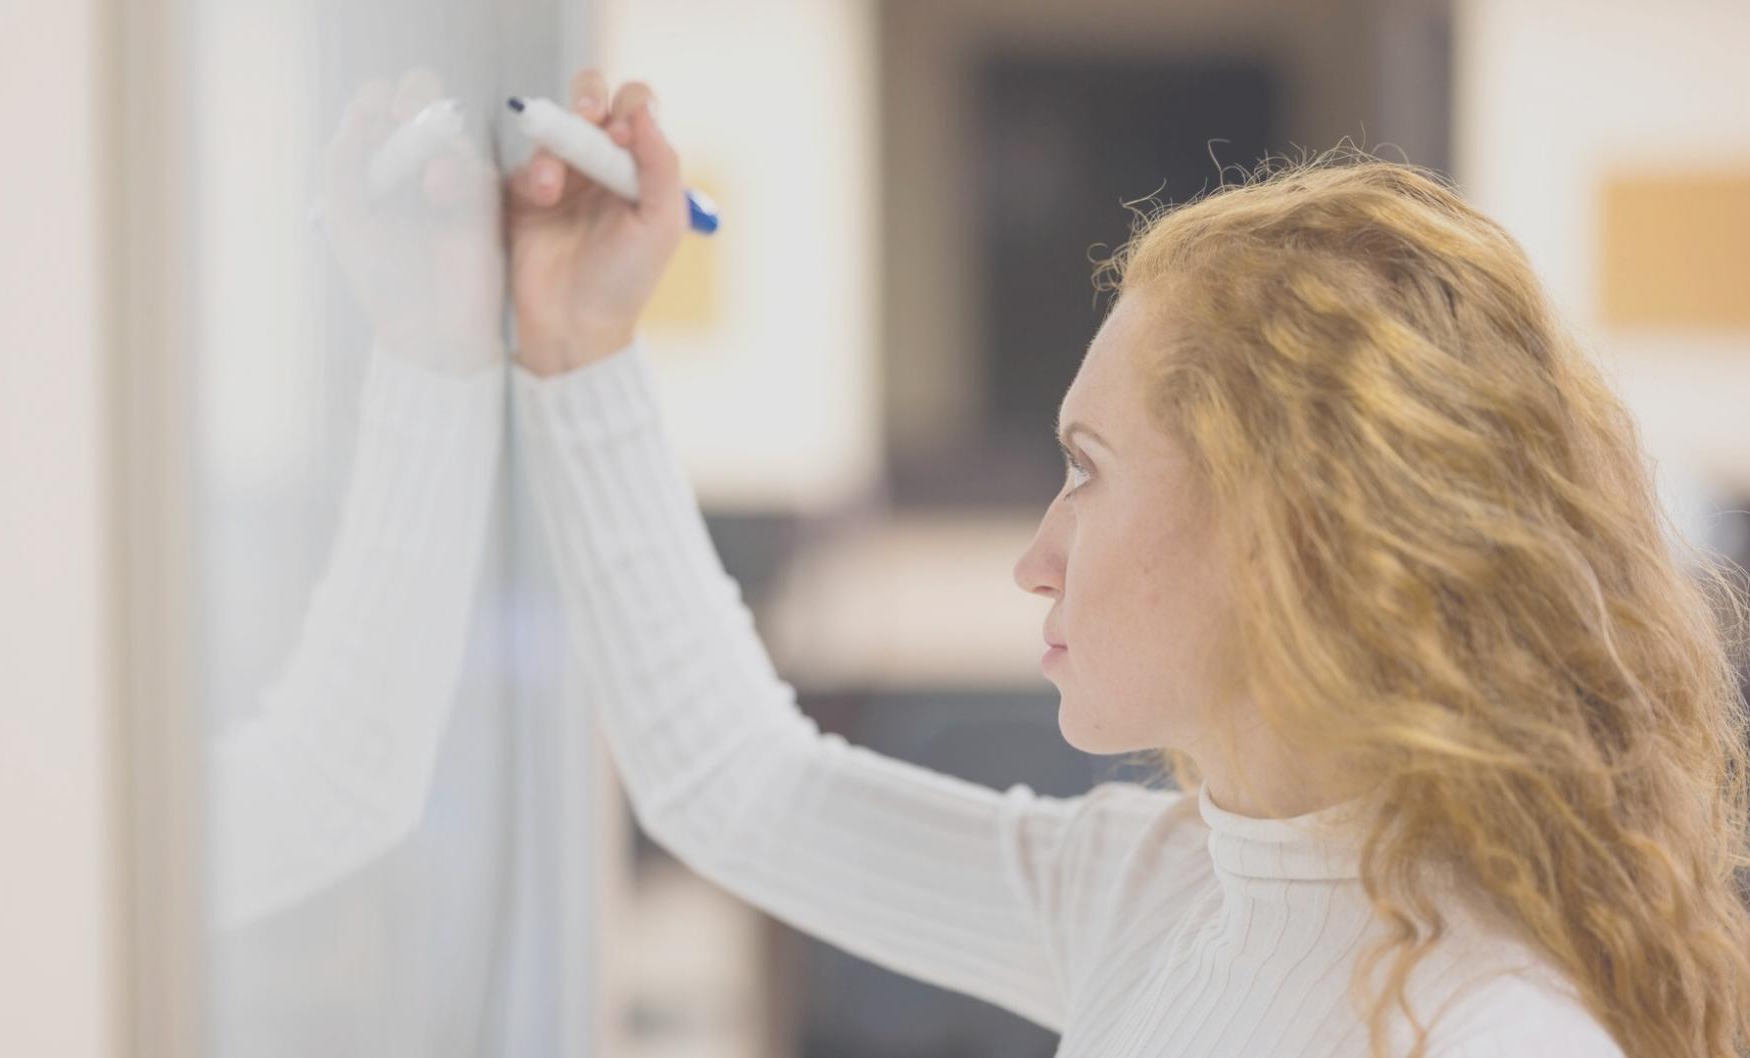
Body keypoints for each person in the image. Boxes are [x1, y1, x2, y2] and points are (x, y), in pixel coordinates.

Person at [501, 67, 1750, 1058]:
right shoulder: (1157, 888)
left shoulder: (1494, 1029)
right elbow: (738, 786)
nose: (1035, 559)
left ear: (1289, 534)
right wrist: (583, 340)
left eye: (1088, 467)